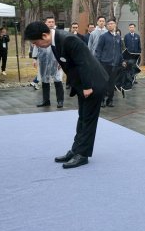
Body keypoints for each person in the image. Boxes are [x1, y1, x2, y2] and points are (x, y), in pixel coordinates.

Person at [25, 21, 109, 169]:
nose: (36, 46)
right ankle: (75, 150)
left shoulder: (68, 39)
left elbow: (83, 62)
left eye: (36, 42)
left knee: (88, 120)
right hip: (83, 84)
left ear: (44, 35)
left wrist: (87, 87)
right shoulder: (55, 40)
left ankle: (82, 155)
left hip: (92, 83)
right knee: (82, 118)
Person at [35, 17, 64, 108]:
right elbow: (36, 45)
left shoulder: (58, 34)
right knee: (44, 79)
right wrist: (34, 59)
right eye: (49, 22)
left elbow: (62, 48)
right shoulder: (41, 33)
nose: (51, 23)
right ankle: (46, 100)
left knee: (57, 79)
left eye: (52, 22)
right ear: (45, 23)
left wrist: (61, 61)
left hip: (56, 60)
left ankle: (60, 101)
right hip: (44, 60)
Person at [94, 19, 123, 107]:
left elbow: (119, 51)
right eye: (108, 24)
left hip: (115, 64)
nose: (110, 25)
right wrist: (98, 62)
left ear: (115, 25)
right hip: (104, 63)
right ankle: (102, 100)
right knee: (103, 83)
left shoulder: (118, 37)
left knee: (112, 83)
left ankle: (110, 100)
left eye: (111, 23)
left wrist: (122, 61)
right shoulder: (103, 36)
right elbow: (98, 50)